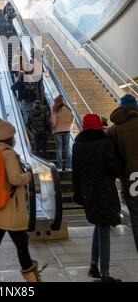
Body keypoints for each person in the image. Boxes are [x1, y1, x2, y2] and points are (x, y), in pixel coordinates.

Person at [0, 117, 41, 282]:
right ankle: (33, 279)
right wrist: (28, 176)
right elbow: (15, 179)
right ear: (9, 137)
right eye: (13, 135)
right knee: (22, 246)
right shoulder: (9, 154)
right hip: (10, 209)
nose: (14, 138)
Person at [72, 113, 122, 282]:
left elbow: (76, 173)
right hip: (104, 190)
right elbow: (114, 168)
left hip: (88, 192)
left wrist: (78, 194)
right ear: (99, 126)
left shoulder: (77, 145)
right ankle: (105, 274)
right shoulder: (106, 143)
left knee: (99, 226)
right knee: (104, 229)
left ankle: (94, 266)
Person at [107, 94, 138, 252]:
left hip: (130, 182)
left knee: (136, 219)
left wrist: (120, 173)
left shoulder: (114, 129)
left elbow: (111, 158)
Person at [51, 95, 73, 171]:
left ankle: (60, 167)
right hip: (67, 130)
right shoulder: (68, 109)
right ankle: (69, 166)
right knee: (67, 148)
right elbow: (72, 118)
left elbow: (53, 122)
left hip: (57, 131)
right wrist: (68, 125)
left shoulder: (54, 109)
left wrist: (53, 128)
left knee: (59, 149)